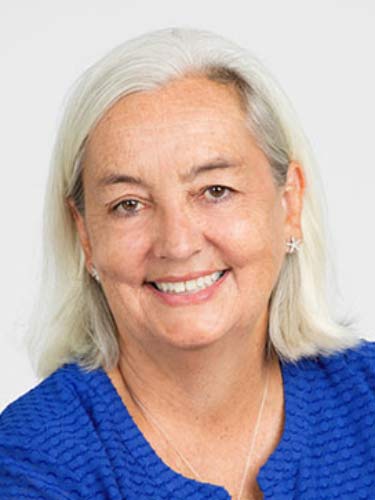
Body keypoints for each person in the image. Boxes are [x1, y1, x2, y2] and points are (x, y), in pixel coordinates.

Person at [0, 27, 374, 500]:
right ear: (86, 236)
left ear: (289, 205)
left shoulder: (367, 400)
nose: (177, 244)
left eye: (215, 191)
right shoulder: (31, 461)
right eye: (129, 204)